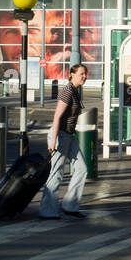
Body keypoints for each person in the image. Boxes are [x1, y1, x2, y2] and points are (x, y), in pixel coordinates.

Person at [39, 63, 90, 220]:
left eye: (85, 73)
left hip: (69, 135)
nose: (84, 76)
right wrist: (53, 141)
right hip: (60, 135)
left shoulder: (75, 91)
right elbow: (57, 117)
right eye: (81, 73)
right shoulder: (67, 91)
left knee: (81, 168)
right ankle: (47, 211)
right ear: (72, 75)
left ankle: (70, 205)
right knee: (56, 173)